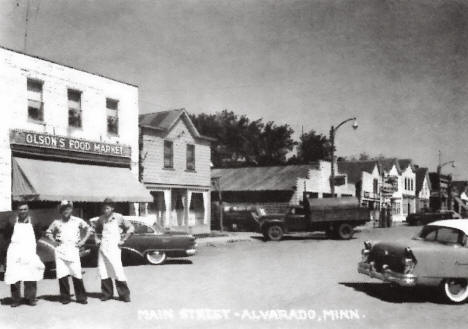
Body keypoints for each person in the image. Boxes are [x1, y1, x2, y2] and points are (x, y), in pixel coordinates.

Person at [45, 201, 92, 304]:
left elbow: (89, 229)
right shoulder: (56, 222)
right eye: (63, 209)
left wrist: (83, 241)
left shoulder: (78, 221)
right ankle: (65, 298)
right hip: (60, 251)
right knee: (62, 274)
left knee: (77, 273)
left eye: (68, 208)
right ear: (60, 210)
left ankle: (81, 298)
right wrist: (53, 241)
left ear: (71, 209)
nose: (66, 211)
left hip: (73, 250)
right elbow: (48, 232)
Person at [90, 198, 134, 302]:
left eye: (107, 208)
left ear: (112, 208)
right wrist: (97, 239)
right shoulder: (101, 219)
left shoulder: (119, 217)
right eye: (104, 208)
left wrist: (124, 239)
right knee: (104, 270)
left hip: (114, 248)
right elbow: (96, 230)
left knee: (117, 269)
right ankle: (107, 294)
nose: (105, 210)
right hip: (103, 248)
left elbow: (131, 228)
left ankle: (124, 295)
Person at [2, 202, 44, 307]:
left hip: (29, 251)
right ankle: (16, 299)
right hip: (15, 251)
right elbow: (6, 235)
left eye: (25, 209)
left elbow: (39, 233)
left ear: (28, 210)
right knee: (14, 275)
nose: (23, 211)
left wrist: (30, 245)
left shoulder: (34, 221)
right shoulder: (12, 221)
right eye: (20, 209)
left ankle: (31, 298)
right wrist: (12, 247)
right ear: (17, 211)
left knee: (31, 273)